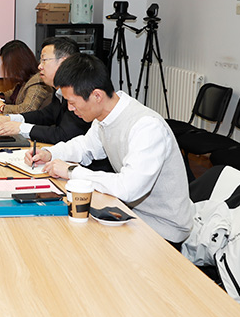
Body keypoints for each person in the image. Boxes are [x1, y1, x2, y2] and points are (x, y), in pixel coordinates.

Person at [26, 54, 193, 245]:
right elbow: (85, 147)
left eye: (72, 102)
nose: (70, 109)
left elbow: (128, 188)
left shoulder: (146, 126)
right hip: (130, 212)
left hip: (163, 228)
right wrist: (50, 154)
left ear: (97, 96)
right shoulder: (105, 116)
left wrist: (72, 171)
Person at [0, 37, 89, 143]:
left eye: (44, 60)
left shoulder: (80, 92)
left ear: (63, 63)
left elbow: (62, 135)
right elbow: (45, 115)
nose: (40, 66)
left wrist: (21, 128)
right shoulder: (59, 89)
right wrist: (11, 118)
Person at [0, 39, 53, 114]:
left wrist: (2, 107)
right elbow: (13, 95)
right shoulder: (26, 78)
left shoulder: (37, 83)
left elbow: (27, 109)